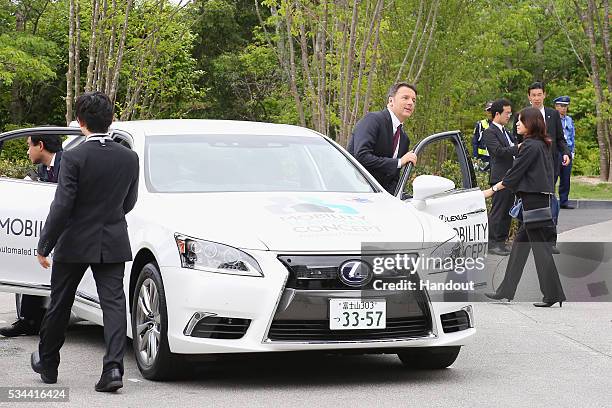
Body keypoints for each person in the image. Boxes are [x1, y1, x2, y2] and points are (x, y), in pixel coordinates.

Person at [30, 91, 139, 392]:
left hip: (74, 241)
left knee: (60, 303)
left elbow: (62, 206)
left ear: (80, 122)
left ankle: (48, 363)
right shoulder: (129, 157)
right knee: (114, 305)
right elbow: (128, 202)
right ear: (112, 120)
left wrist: (44, 245)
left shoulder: (74, 157)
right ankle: (113, 369)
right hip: (113, 239)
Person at [483, 107, 566, 307]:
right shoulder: (540, 144)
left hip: (534, 202)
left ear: (531, 123)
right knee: (520, 248)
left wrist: (492, 190)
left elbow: (515, 173)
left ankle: (553, 294)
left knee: (541, 250)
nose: (517, 124)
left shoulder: (530, 146)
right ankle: (506, 290)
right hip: (536, 201)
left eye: (521, 120)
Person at [0, 135, 63, 338]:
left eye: (29, 146)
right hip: (45, 228)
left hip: (68, 230)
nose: (27, 151)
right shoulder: (43, 169)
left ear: (41, 146)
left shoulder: (67, 164)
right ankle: (28, 320)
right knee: (30, 258)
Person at [513, 82, 571, 253]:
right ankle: (526, 239)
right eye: (533, 95)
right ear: (529, 97)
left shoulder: (553, 115)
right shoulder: (522, 115)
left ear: (544, 95)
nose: (537, 98)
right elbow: (516, 140)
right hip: (529, 168)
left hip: (549, 167)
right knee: (526, 202)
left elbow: (560, 139)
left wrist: (566, 153)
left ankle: (549, 240)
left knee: (550, 202)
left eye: (539, 94)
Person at [347, 82, 418, 194]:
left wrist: (391, 199)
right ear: (391, 101)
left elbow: (394, 177)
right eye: (405, 98)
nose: (410, 103)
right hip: (353, 193)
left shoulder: (404, 139)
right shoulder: (373, 120)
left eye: (413, 100)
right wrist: (399, 162)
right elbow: (361, 157)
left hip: (382, 201)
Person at [482, 99, 517, 256]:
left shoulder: (505, 131)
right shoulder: (489, 132)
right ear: (497, 114)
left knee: (507, 211)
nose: (509, 116)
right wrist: (517, 148)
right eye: (507, 113)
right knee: (498, 211)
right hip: (500, 177)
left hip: (510, 176)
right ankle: (492, 243)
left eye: (510, 113)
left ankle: (501, 242)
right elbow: (498, 151)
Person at [553, 96, 575, 209]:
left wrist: (572, 152)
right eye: (561, 106)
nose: (564, 108)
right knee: (554, 176)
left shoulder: (569, 120)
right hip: (557, 151)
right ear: (556, 106)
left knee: (566, 178)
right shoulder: (552, 119)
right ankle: (550, 201)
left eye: (566, 106)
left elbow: (572, 136)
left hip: (568, 151)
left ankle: (564, 201)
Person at [471, 101, 493, 171]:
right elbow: (475, 142)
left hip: (495, 161)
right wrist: (475, 158)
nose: (490, 113)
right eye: (488, 110)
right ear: (486, 112)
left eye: (492, 110)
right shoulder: (480, 124)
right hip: (483, 161)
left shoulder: (500, 125)